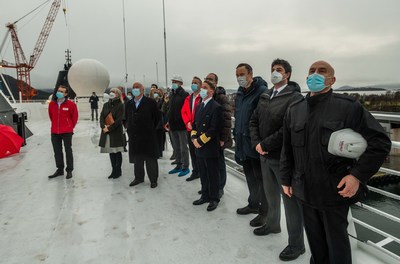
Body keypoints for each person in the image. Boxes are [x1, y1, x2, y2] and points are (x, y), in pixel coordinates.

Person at [280, 60, 391, 264]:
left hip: (333, 191)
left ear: (332, 79)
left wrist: (357, 175)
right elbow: (287, 149)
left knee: (337, 246)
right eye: (311, 71)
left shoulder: (348, 108)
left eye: (322, 71)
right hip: (304, 189)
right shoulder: (294, 109)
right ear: (306, 78)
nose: (315, 74)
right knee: (315, 244)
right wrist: (285, 179)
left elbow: (380, 142)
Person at [249, 59, 305, 261]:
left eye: (279, 70)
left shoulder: (295, 98)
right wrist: (257, 143)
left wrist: (265, 144)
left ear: (288, 74)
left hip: (283, 158)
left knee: (291, 204)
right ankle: (272, 225)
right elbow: (254, 120)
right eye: (273, 70)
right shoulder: (265, 95)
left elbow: (288, 128)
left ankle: (296, 244)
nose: (275, 73)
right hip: (264, 155)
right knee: (270, 195)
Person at [234, 63, 268, 215]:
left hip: (255, 144)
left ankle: (264, 212)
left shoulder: (261, 91)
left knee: (261, 181)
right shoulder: (240, 93)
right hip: (242, 144)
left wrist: (258, 142)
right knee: (250, 178)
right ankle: (253, 204)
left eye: (242, 74)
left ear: (250, 74)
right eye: (237, 75)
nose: (239, 78)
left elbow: (263, 120)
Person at [191, 81, 223, 211]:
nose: (202, 89)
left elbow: (214, 128)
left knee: (212, 173)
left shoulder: (216, 107)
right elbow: (195, 124)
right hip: (198, 145)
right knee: (203, 173)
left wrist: (200, 141)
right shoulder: (199, 106)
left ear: (211, 91)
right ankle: (204, 195)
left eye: (205, 88)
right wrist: (193, 138)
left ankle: (214, 198)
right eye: (202, 87)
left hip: (209, 146)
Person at [125, 82, 160, 188]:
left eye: (137, 87)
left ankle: (153, 179)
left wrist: (150, 129)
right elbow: (126, 118)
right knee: (137, 159)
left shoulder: (150, 102)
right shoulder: (129, 104)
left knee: (150, 159)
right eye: (134, 87)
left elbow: (157, 118)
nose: (135, 89)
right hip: (135, 136)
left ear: (142, 89)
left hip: (148, 135)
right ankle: (139, 178)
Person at [205, 73, 232, 198]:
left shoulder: (221, 98)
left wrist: (222, 139)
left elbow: (227, 120)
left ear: (216, 82)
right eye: (206, 79)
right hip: (208, 138)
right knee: (210, 164)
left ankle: (220, 187)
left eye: (211, 79)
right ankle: (211, 186)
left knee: (220, 163)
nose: (208, 81)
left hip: (218, 139)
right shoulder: (206, 97)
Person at [48, 85, 78, 179]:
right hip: (55, 132)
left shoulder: (71, 104)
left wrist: (69, 127)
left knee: (68, 151)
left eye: (61, 91)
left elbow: (75, 117)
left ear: (65, 94)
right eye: (58, 90)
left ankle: (69, 170)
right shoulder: (52, 104)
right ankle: (60, 169)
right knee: (57, 151)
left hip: (67, 132)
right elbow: (51, 116)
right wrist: (55, 126)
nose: (59, 92)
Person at [165, 74, 190, 177]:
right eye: (173, 82)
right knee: (176, 147)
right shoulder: (172, 94)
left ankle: (185, 167)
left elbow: (186, 111)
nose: (173, 83)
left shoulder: (184, 95)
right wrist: (168, 121)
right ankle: (178, 164)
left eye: (175, 82)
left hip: (182, 125)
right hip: (173, 125)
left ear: (180, 83)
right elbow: (170, 109)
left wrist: (186, 122)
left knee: (183, 147)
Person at [99, 88, 126, 179]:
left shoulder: (120, 105)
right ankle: (113, 170)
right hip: (106, 131)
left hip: (115, 132)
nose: (111, 93)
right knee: (111, 152)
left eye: (114, 92)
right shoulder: (106, 105)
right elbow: (102, 116)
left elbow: (119, 120)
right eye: (111, 91)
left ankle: (118, 171)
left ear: (118, 94)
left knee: (117, 152)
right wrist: (103, 127)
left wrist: (109, 128)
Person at [181, 76, 202, 181]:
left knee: (200, 153)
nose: (193, 84)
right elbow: (183, 111)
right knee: (193, 153)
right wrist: (187, 122)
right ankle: (195, 172)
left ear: (200, 85)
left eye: (196, 83)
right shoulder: (188, 98)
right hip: (190, 129)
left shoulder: (202, 97)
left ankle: (202, 173)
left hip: (200, 130)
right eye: (192, 82)